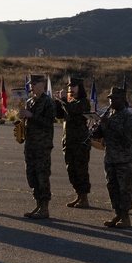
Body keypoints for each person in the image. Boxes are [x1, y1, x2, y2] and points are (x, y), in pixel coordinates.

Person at [89, 87, 132, 228]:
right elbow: (102, 134)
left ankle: (125, 216)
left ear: (122, 100)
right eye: (110, 98)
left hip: (124, 158)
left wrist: (108, 123)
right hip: (110, 157)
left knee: (124, 188)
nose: (111, 101)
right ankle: (117, 213)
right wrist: (95, 129)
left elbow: (130, 137)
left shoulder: (128, 116)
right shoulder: (109, 114)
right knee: (112, 187)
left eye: (114, 98)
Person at [18, 74, 55, 219]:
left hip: (42, 145)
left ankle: (44, 206)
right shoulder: (30, 101)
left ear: (42, 84)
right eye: (30, 84)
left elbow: (49, 121)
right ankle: (38, 204)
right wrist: (24, 118)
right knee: (31, 175)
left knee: (42, 175)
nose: (31, 86)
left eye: (34, 84)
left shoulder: (48, 102)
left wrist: (32, 116)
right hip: (31, 143)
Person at [55, 76, 93, 209]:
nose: (70, 88)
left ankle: (84, 197)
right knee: (71, 169)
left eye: (73, 86)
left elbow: (72, 110)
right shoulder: (70, 102)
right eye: (69, 86)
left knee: (81, 170)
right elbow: (59, 115)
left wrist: (64, 100)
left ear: (80, 88)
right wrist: (58, 101)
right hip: (69, 141)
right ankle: (78, 194)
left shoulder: (83, 102)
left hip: (80, 143)